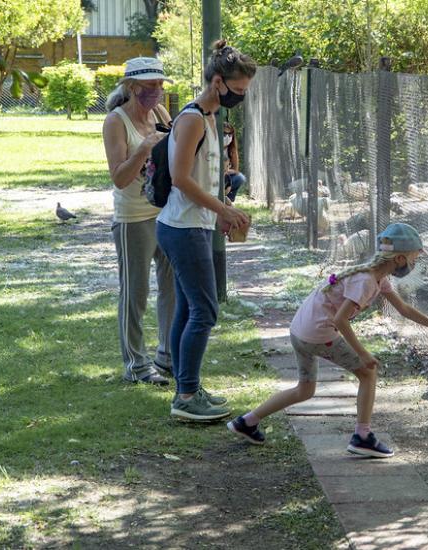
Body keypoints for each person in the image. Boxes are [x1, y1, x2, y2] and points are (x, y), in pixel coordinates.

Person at [227, 223, 428, 457]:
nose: (414, 264)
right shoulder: (367, 281)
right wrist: (362, 353)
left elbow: (404, 309)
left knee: (305, 390)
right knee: (368, 373)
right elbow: (340, 320)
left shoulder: (377, 277)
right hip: (318, 334)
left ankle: (246, 422)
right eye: (413, 259)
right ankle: (362, 436)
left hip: (300, 330)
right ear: (399, 259)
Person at [156, 40, 254, 421]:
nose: (241, 96)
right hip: (182, 229)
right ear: (218, 82)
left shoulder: (211, 118)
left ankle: (188, 385)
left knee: (189, 308)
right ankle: (186, 396)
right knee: (205, 311)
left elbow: (205, 181)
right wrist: (223, 212)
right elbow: (181, 179)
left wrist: (222, 212)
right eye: (239, 90)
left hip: (194, 225)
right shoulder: (193, 118)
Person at [102, 57, 175, 386]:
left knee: (173, 288)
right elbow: (119, 178)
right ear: (132, 87)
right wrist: (144, 149)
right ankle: (136, 364)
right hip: (133, 219)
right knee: (136, 293)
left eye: (160, 84)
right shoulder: (116, 122)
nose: (157, 91)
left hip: (167, 214)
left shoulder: (160, 114)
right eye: (149, 86)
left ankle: (167, 355)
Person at [222, 122, 247, 202]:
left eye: (230, 134)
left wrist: (225, 171)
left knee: (240, 178)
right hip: (213, 175)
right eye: (224, 134)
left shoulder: (232, 150)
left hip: (226, 176)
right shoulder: (213, 147)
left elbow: (235, 170)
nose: (227, 137)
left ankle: (228, 199)